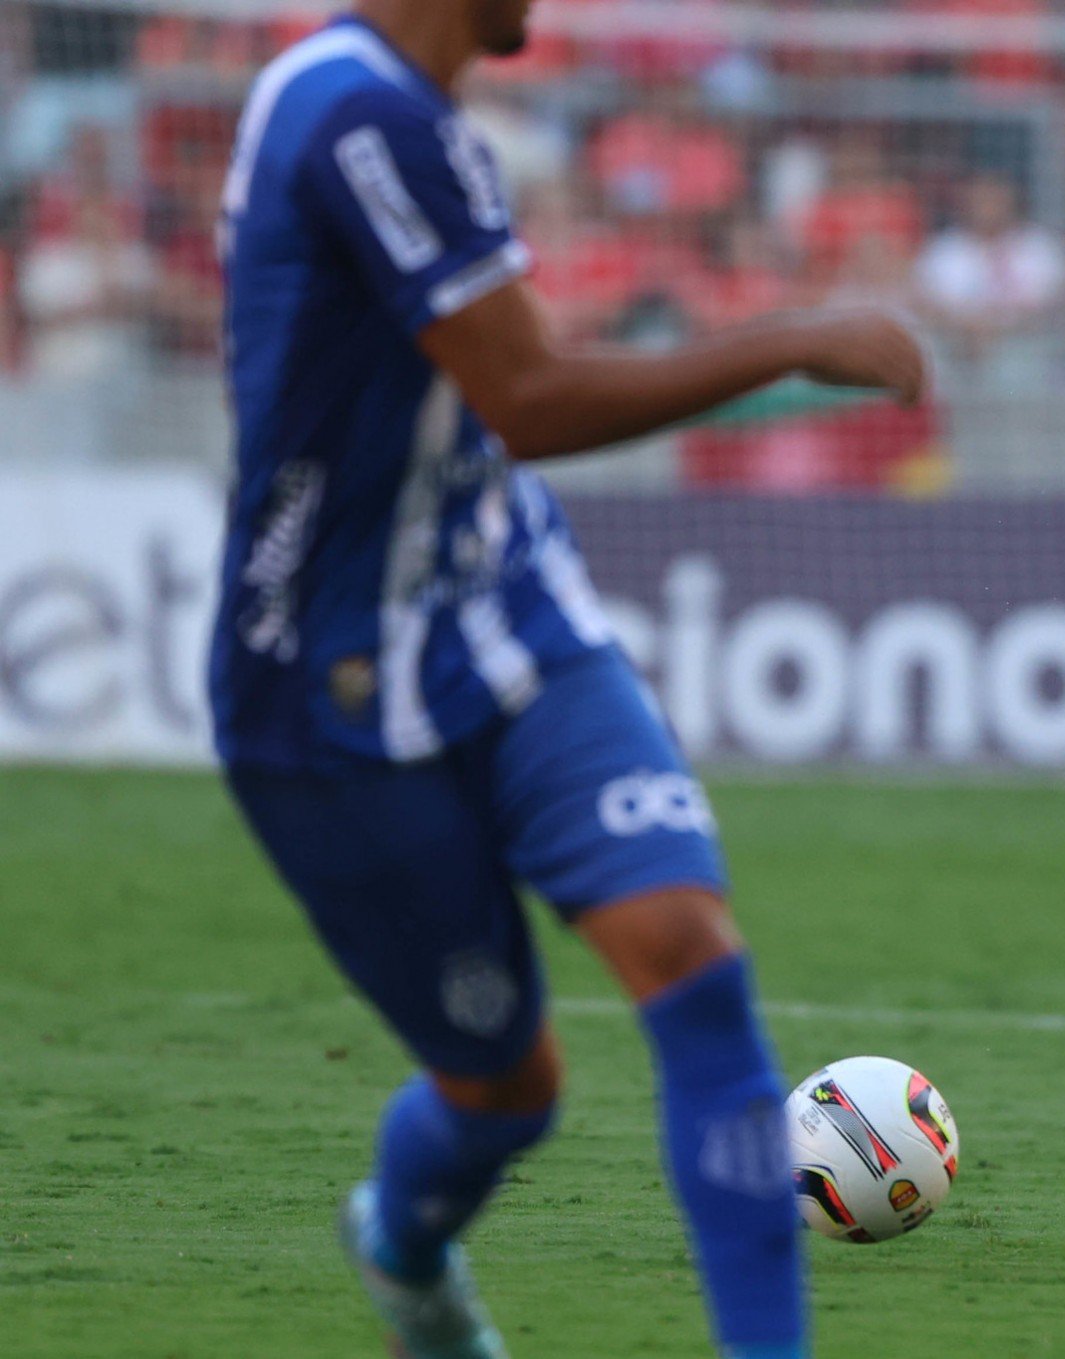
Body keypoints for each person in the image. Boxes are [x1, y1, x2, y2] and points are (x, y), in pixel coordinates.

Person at [211, 2, 923, 1356]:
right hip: (328, 680)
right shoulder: (360, 117)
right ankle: (405, 1242)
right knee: (504, 1087)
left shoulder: (404, 110)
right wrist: (791, 340)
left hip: (514, 612)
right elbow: (529, 397)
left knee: (693, 958)